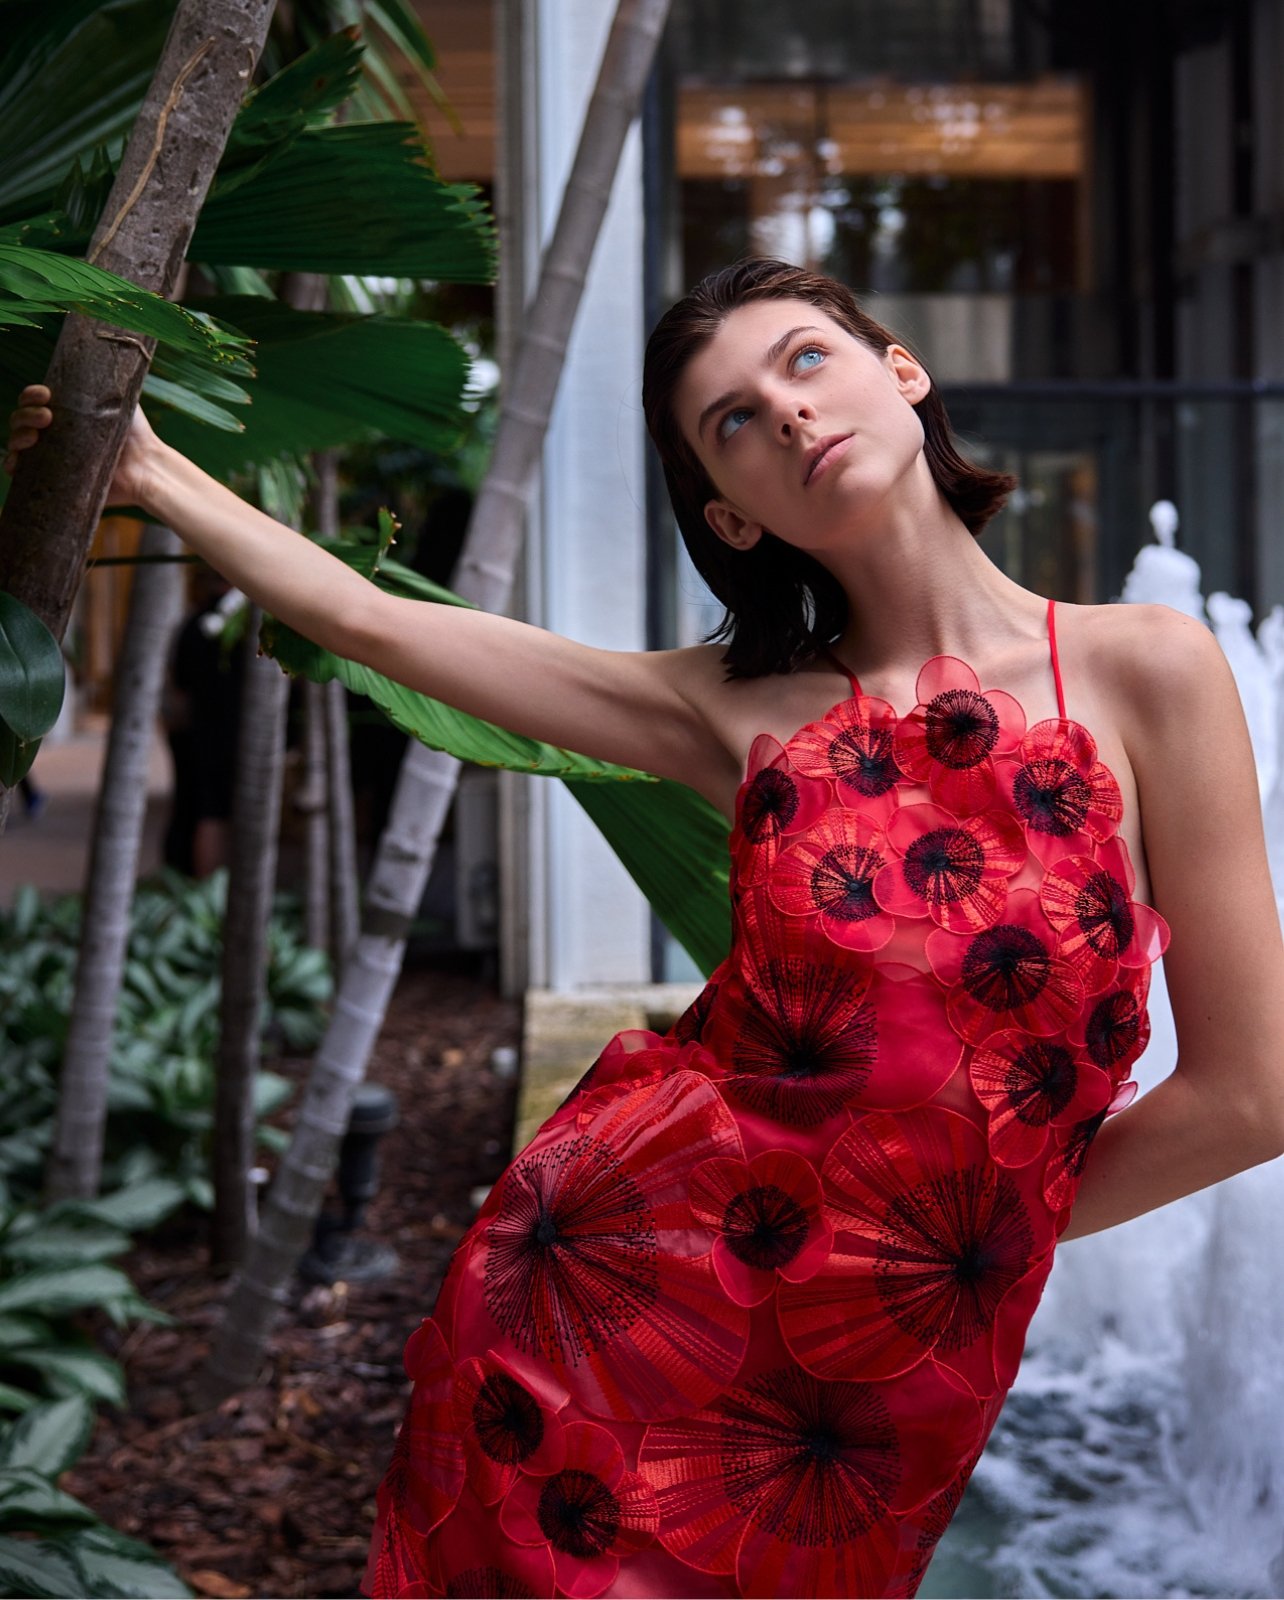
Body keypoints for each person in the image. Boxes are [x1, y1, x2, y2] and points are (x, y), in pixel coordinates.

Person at [7, 258, 1284, 1599]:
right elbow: (370, 620)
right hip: (613, 1302)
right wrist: (149, 470)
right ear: (728, 514)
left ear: (901, 370)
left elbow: (1250, 1097)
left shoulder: (1153, 668)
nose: (785, 413)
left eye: (803, 361)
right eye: (730, 420)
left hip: (877, 1374)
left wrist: (946, 1253)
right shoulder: (725, 709)